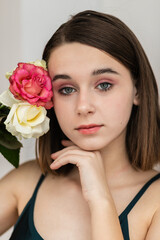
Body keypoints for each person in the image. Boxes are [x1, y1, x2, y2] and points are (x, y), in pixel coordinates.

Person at [0, 10, 160, 240]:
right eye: (67, 89)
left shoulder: (156, 202)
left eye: (104, 85)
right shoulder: (26, 181)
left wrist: (100, 199)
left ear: (139, 90)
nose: (83, 106)